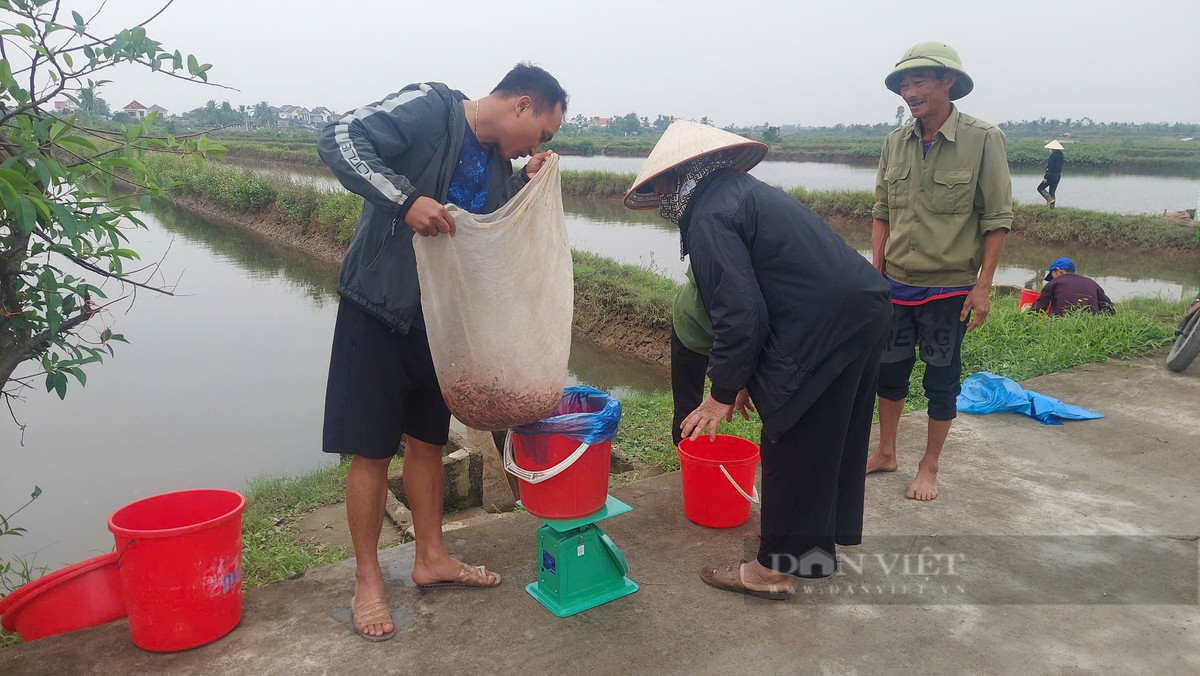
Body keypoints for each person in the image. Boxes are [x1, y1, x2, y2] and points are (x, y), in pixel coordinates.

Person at [317, 63, 566, 641]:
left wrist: (529, 183)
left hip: (440, 324)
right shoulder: (432, 108)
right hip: (379, 307)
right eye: (545, 134)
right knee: (371, 450)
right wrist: (405, 200)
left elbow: (492, 235)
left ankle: (431, 557)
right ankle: (368, 580)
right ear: (523, 105)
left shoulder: (502, 168)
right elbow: (340, 136)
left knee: (428, 441)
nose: (541, 144)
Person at [625, 120, 892, 600]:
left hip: (824, 327)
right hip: (862, 311)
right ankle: (805, 549)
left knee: (789, 438)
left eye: (661, 183)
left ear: (681, 173)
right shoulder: (737, 191)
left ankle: (772, 571)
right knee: (830, 439)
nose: (660, 196)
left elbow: (740, 313)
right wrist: (745, 377)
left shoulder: (707, 214)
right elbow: (764, 295)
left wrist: (721, 392)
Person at [865, 41, 1013, 501]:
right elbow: (882, 211)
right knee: (888, 374)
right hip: (895, 285)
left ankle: (929, 466)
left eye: (919, 80)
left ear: (948, 81)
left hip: (948, 290)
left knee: (940, 379)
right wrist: (875, 274)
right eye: (904, 83)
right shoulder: (894, 142)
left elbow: (996, 218)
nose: (909, 91)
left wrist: (984, 285)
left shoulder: (983, 138)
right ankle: (886, 452)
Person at [1031, 257, 1114, 316]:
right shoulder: (1091, 282)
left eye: (1052, 275)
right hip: (1090, 326)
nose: (1052, 279)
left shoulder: (1054, 282)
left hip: (1060, 325)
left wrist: (1025, 318)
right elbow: (1109, 307)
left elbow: (1038, 308)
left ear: (1059, 271)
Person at [1037, 140, 1064, 206]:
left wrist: (1046, 177)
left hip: (1051, 176)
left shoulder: (1053, 156)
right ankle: (1052, 208)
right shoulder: (1061, 155)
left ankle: (1049, 199)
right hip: (1058, 175)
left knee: (1040, 188)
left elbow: (1050, 167)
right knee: (1052, 192)